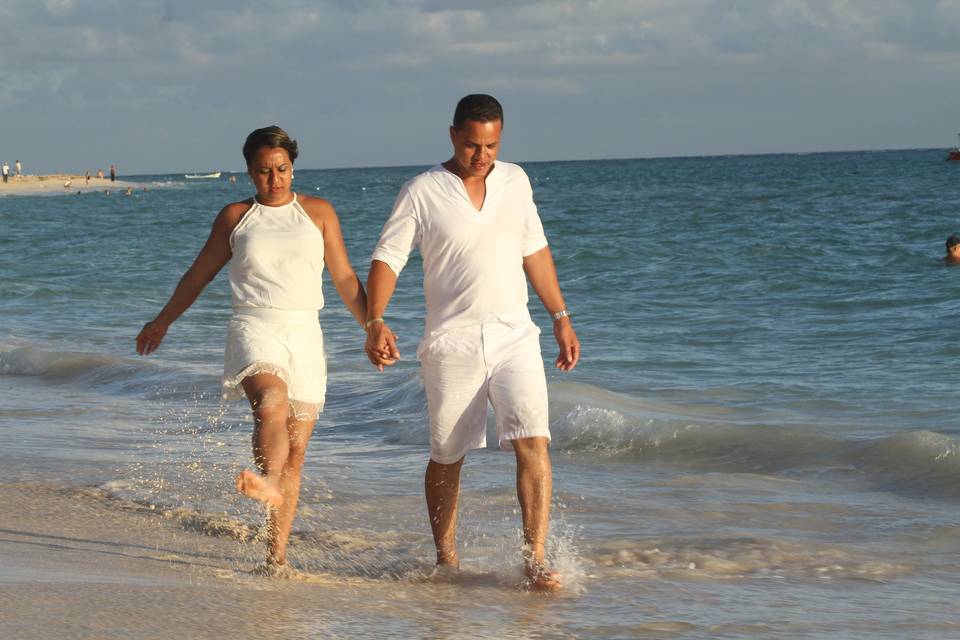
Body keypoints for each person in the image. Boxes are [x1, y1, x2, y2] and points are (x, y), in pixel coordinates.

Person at [365, 94, 580, 590]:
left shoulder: (516, 181)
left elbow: (536, 250)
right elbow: (388, 258)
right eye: (470, 145)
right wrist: (375, 321)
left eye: (490, 145)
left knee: (533, 440)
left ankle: (535, 559)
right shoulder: (422, 191)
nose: (481, 156)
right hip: (451, 341)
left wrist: (561, 317)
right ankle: (446, 559)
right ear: (452, 135)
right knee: (447, 454)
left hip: (514, 334)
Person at [136, 125, 368, 572]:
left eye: (281, 169)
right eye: (263, 172)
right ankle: (265, 480)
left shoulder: (318, 213)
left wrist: (372, 327)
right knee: (270, 402)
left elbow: (343, 278)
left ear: (293, 167)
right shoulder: (236, 217)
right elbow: (197, 276)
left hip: (305, 333)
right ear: (248, 172)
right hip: (254, 325)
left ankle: (275, 557)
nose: (274, 179)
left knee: (296, 454)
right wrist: (162, 321)